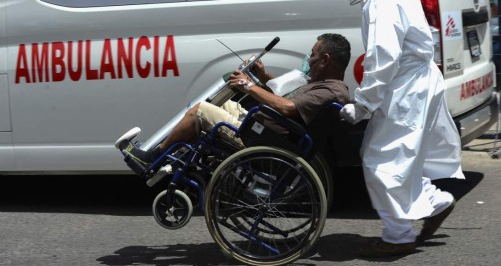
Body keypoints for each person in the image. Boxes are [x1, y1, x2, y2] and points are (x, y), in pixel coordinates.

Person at [329, 0, 464, 258]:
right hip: (415, 84)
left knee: (382, 161)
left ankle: (398, 236)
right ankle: (435, 203)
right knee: (400, 157)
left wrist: (362, 103)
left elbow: (383, 57)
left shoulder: (381, 2)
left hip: (406, 88)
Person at [117, 33, 351, 164]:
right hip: (266, 127)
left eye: (313, 54)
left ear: (326, 60)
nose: (309, 58)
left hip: (264, 137)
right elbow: (282, 97)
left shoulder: (329, 91)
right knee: (221, 102)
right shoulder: (321, 85)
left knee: (200, 111)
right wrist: (261, 76)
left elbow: (288, 107)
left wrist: (248, 85)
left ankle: (151, 159)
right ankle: (175, 151)